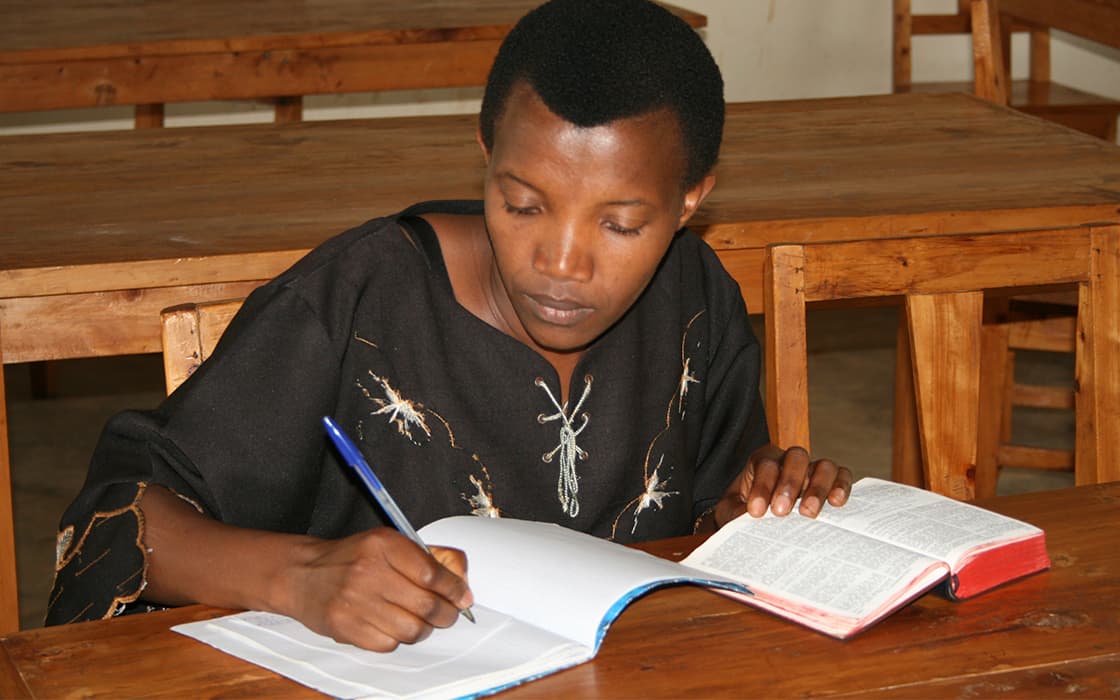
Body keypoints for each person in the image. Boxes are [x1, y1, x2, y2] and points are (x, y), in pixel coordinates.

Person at [46, 0, 852, 651]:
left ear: (689, 202)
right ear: (485, 154)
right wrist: (301, 576)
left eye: (622, 224)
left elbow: (708, 505)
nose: (561, 264)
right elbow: (117, 514)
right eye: (523, 203)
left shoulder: (694, 296)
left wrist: (755, 503)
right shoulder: (360, 298)